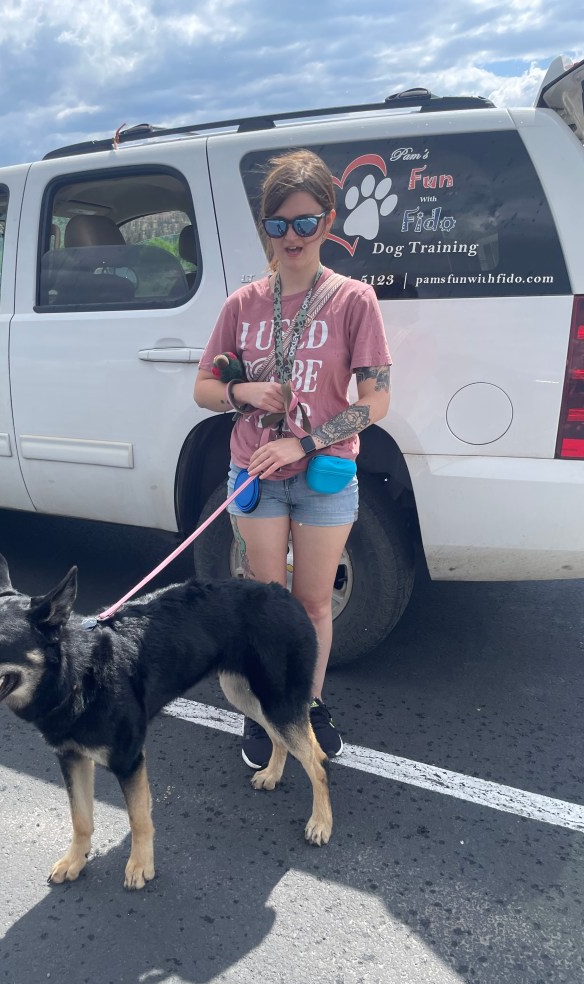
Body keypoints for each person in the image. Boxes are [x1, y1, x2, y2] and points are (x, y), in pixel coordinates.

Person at [193, 148, 391, 770]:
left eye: (305, 222)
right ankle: (262, 708)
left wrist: (301, 444)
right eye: (277, 225)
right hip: (254, 472)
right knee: (264, 603)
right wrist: (244, 392)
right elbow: (202, 389)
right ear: (265, 228)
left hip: (323, 476)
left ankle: (307, 704)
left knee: (312, 605)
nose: (291, 236)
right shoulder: (243, 303)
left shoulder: (354, 300)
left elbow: (377, 400)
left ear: (328, 222)